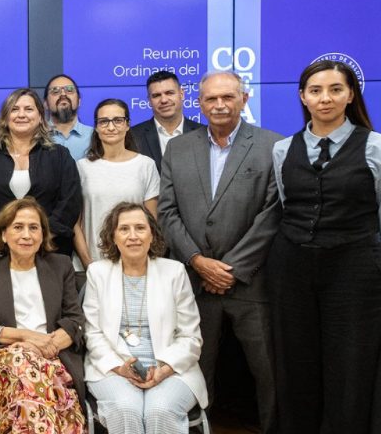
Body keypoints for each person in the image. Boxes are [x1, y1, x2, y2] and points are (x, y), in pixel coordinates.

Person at [157, 71, 280, 433]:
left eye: (228, 97)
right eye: (211, 98)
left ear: (244, 99)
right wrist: (197, 261)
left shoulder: (272, 145)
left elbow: (273, 213)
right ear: (199, 103)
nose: (220, 105)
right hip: (194, 283)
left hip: (251, 282)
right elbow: (167, 212)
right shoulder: (178, 148)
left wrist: (231, 269)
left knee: (268, 370)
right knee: (195, 370)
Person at [269, 59, 381, 433]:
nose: (325, 98)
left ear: (350, 95)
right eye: (315, 91)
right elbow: (287, 203)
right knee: (295, 360)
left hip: (354, 267)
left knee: (350, 363)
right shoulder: (283, 149)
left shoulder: (375, 146)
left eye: (335, 89)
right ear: (303, 97)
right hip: (292, 267)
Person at [83, 202, 208, 433]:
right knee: (126, 408)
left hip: (172, 368)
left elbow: (190, 337)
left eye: (140, 228)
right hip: (112, 368)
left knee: (159, 410)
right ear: (113, 237)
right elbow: (93, 334)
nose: (133, 236)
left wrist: (164, 368)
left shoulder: (174, 272)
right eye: (124, 229)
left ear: (152, 234)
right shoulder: (97, 273)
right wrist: (120, 368)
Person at [0, 197, 86, 433]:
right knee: (24, 364)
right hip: (3, 363)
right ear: (3, 234)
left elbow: (75, 321)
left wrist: (44, 347)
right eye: (18, 227)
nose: (26, 235)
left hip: (53, 359)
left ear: (43, 234)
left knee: (27, 395)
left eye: (33, 227)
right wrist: (26, 338)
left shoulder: (61, 266)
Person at [0, 88, 81, 261]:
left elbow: (70, 202)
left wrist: (40, 237)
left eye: (28, 109)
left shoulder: (59, 155)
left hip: (48, 252)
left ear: (40, 116)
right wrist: (0, 238)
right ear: (5, 117)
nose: (21, 114)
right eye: (14, 109)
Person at [73, 99, 159, 270]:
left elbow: (152, 222)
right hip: (91, 265)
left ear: (127, 125)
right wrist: (88, 264)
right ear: (96, 127)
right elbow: (75, 223)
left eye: (118, 120)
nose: (111, 127)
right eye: (104, 121)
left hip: (135, 265)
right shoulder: (82, 167)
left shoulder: (146, 165)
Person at [129, 70, 204, 170]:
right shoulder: (133, 136)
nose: (164, 100)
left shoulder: (203, 134)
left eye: (169, 93)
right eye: (156, 95)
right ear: (149, 100)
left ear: (182, 94)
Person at [45, 75, 93, 160]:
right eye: (55, 91)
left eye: (70, 90)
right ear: (46, 103)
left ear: (79, 101)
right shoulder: (36, 137)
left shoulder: (95, 136)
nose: (63, 94)